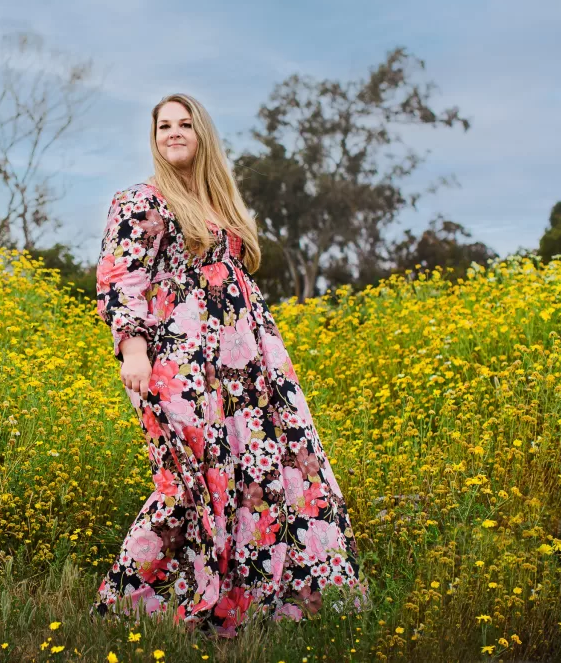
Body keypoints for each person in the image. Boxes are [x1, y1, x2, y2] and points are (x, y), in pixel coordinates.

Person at [90, 93, 371, 638]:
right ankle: (133, 605)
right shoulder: (140, 202)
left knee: (269, 477)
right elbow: (122, 279)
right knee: (191, 484)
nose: (173, 132)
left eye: (184, 124)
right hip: (183, 369)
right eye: (163, 125)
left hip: (250, 372)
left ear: (203, 135)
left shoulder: (220, 207)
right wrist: (134, 351)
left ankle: (268, 607)